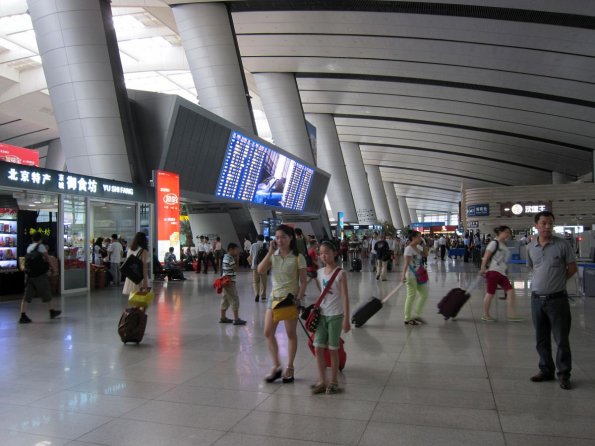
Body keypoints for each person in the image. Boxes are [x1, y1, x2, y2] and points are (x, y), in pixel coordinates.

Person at [527, 211, 577, 390]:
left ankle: (564, 374)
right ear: (537, 226)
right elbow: (533, 268)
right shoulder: (531, 247)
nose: (547, 226)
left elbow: (572, 268)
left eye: (550, 223)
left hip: (557, 300)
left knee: (561, 339)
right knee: (541, 338)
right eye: (544, 223)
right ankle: (546, 369)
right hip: (536, 300)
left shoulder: (562, 245)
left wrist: (557, 282)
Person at [258, 224, 307, 384]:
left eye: (283, 237)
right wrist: (270, 252)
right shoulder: (273, 255)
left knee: (290, 334)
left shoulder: (298, 257)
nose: (280, 240)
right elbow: (260, 270)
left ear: (290, 238)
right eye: (277, 237)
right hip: (274, 298)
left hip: (289, 299)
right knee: (267, 332)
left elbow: (304, 281)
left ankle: (290, 367)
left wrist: (298, 299)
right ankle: (277, 366)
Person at [311, 240, 350, 395]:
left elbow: (345, 297)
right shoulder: (319, 273)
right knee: (318, 347)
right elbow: (321, 293)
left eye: (326, 252)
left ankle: (333, 381)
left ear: (335, 253)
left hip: (335, 315)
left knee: (333, 349)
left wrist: (346, 318)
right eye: (321, 253)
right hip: (322, 315)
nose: (323, 256)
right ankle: (322, 380)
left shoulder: (340, 273)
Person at [479, 225, 523, 322]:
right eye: (506, 232)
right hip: (493, 271)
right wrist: (482, 268)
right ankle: (485, 315)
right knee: (490, 293)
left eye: (509, 232)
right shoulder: (494, 243)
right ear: (500, 232)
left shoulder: (503, 244)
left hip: (502, 273)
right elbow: (486, 257)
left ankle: (512, 315)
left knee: (510, 291)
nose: (508, 234)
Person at [19, 232, 61, 323]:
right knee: (46, 291)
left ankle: (23, 315)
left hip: (29, 275)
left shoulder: (29, 247)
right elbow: (48, 258)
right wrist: (54, 269)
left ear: (32, 239)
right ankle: (52, 311)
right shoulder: (41, 246)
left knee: (27, 295)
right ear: (41, 239)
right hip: (39, 275)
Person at [401, 231, 429, 326]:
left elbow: (426, 254)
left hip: (419, 275)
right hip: (411, 275)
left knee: (424, 294)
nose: (420, 238)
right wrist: (403, 276)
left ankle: (417, 313)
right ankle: (407, 318)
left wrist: (424, 243)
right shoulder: (408, 249)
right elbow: (406, 264)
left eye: (421, 236)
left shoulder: (418, 247)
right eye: (419, 237)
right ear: (413, 238)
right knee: (411, 296)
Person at [219, 243, 247, 325]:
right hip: (229, 282)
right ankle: (236, 319)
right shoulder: (230, 258)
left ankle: (223, 317)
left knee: (225, 299)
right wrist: (237, 259)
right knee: (234, 299)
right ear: (231, 250)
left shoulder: (225, 257)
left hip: (224, 281)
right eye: (236, 250)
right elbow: (236, 269)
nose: (237, 252)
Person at [122, 232, 150, 297]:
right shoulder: (143, 250)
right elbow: (144, 266)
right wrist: (145, 280)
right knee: (141, 297)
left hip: (131, 276)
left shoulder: (130, 249)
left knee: (133, 297)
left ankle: (134, 307)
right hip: (139, 276)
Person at [249, 234, 268, 302]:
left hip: (255, 265)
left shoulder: (253, 245)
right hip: (264, 265)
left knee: (255, 282)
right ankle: (263, 296)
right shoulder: (266, 245)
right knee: (264, 281)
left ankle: (257, 294)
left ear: (257, 239)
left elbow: (250, 254)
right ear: (263, 239)